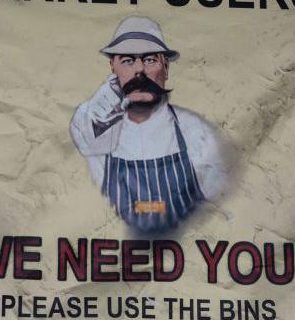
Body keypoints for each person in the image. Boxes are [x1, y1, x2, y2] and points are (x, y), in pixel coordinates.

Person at [70, 16, 226, 232]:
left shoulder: (195, 132)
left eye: (150, 60)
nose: (139, 70)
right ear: (112, 68)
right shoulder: (96, 130)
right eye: (127, 61)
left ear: (166, 67)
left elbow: (217, 205)